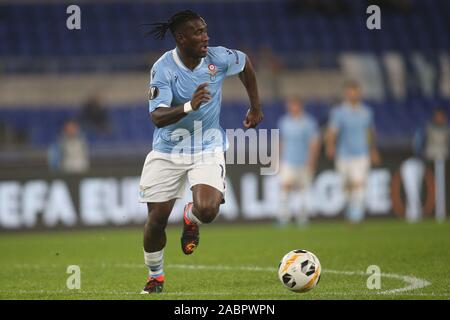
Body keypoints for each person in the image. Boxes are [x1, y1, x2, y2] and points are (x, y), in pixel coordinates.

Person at [139, 10, 263, 294]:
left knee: (207, 209)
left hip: (207, 146)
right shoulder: (163, 69)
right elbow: (156, 117)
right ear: (181, 38)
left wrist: (255, 107)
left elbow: (245, 65)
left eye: (205, 30)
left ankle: (190, 218)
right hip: (168, 150)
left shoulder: (217, 58)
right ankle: (155, 276)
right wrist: (189, 106)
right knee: (156, 221)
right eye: (197, 32)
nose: (205, 36)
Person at [325, 81, 380, 224]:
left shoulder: (366, 112)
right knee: (347, 186)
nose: (353, 94)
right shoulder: (339, 112)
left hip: (361, 154)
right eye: (350, 92)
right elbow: (332, 131)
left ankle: (356, 215)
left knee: (359, 183)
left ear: (359, 93)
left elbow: (370, 132)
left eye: (355, 91)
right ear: (346, 94)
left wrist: (373, 150)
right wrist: (330, 145)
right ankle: (351, 210)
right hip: (343, 154)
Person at [277, 98, 320, 226]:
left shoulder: (308, 122)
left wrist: (312, 160)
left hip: (304, 161)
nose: (292, 108)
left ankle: (302, 217)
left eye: (294, 105)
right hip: (288, 161)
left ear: (300, 106)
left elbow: (314, 143)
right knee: (285, 187)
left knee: (303, 189)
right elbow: (282, 141)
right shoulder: (284, 121)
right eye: (290, 105)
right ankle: (284, 217)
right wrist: (279, 159)